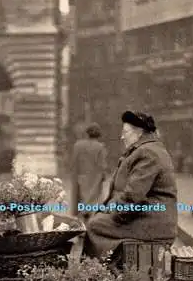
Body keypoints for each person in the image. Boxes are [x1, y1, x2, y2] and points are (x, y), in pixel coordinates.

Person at [85, 111, 178, 258]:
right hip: (147, 216)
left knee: (95, 226)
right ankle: (107, 268)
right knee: (97, 220)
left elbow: (133, 196)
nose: (122, 137)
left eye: (125, 132)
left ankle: (100, 271)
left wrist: (113, 215)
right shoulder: (146, 149)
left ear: (139, 133)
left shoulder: (148, 152)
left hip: (152, 222)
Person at [70, 122, 108, 219]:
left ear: (87, 133)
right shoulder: (100, 147)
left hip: (81, 179)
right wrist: (104, 176)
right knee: (94, 202)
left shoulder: (78, 145)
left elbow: (74, 163)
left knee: (80, 202)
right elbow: (102, 166)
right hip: (95, 179)